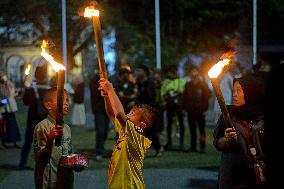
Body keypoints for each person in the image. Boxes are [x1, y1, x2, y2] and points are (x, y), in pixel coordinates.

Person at [98, 78, 157, 189]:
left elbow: (120, 114)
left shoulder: (137, 138)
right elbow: (112, 113)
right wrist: (106, 95)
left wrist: (111, 90)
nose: (128, 115)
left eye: (132, 114)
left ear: (142, 125)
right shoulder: (125, 133)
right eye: (129, 112)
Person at [213, 75, 267, 189]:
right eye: (234, 90)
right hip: (233, 174)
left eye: (239, 90)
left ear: (251, 92)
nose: (234, 95)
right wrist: (225, 140)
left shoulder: (263, 116)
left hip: (259, 175)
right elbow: (217, 142)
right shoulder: (229, 115)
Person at [33, 87, 81, 189]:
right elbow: (41, 159)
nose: (67, 103)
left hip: (65, 181)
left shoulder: (67, 128)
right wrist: (50, 139)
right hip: (49, 181)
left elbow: (68, 154)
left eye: (67, 100)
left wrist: (76, 163)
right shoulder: (42, 127)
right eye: (62, 100)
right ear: (48, 105)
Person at [19, 66, 50, 170]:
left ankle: (22, 163)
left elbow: (25, 102)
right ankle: (43, 164)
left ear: (36, 75)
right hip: (44, 121)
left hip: (31, 120)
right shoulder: (49, 88)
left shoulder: (31, 88)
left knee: (27, 143)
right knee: (44, 144)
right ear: (45, 75)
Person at [135, 64, 163, 156]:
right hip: (142, 110)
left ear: (145, 72)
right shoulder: (139, 82)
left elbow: (151, 98)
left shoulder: (150, 82)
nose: (138, 72)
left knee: (151, 131)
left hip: (149, 110)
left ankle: (158, 148)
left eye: (140, 70)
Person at [183, 66, 211, 153]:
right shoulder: (188, 84)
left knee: (201, 130)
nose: (193, 73)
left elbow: (207, 97)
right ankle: (193, 146)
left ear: (198, 73)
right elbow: (184, 97)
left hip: (200, 110)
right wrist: (184, 108)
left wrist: (205, 109)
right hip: (190, 110)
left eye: (194, 71)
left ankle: (202, 147)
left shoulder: (203, 84)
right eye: (191, 71)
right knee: (192, 130)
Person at [160, 66, 186, 150]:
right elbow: (163, 93)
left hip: (179, 105)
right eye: (170, 73)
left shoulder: (182, 81)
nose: (172, 74)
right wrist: (165, 99)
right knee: (169, 124)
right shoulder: (166, 82)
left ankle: (181, 143)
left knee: (181, 124)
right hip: (169, 105)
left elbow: (184, 92)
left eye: (173, 73)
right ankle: (169, 142)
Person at [89, 71, 110, 161]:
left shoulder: (108, 80)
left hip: (107, 110)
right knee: (100, 131)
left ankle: (101, 147)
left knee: (105, 131)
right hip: (99, 110)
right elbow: (95, 93)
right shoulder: (94, 81)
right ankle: (99, 152)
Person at [0, 71, 21, 148]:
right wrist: (3, 101)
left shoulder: (9, 84)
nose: (2, 77)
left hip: (11, 108)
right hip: (2, 109)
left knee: (13, 125)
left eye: (3, 75)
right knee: (3, 127)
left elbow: (11, 93)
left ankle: (15, 142)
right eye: (1, 76)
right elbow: (4, 96)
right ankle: (3, 143)